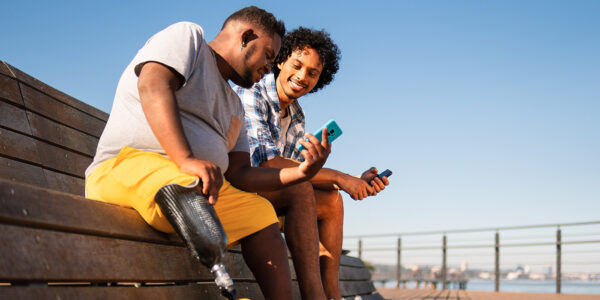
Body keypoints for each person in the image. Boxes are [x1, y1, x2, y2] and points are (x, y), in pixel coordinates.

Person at [85, 7, 332, 300]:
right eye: (268, 55)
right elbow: (153, 84)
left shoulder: (234, 106)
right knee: (182, 184)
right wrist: (186, 159)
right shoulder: (189, 38)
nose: (270, 67)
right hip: (128, 165)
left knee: (261, 214)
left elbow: (240, 173)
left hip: (200, 191)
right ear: (246, 37)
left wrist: (302, 172)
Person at [235, 27, 390, 300]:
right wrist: (342, 177)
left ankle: (333, 295)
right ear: (280, 61)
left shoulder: (295, 114)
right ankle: (315, 296)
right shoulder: (255, 94)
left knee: (331, 200)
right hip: (238, 185)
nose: (302, 77)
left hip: (271, 194)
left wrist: (353, 179)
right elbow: (269, 165)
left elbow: (299, 171)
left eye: (312, 73)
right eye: (297, 65)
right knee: (302, 190)